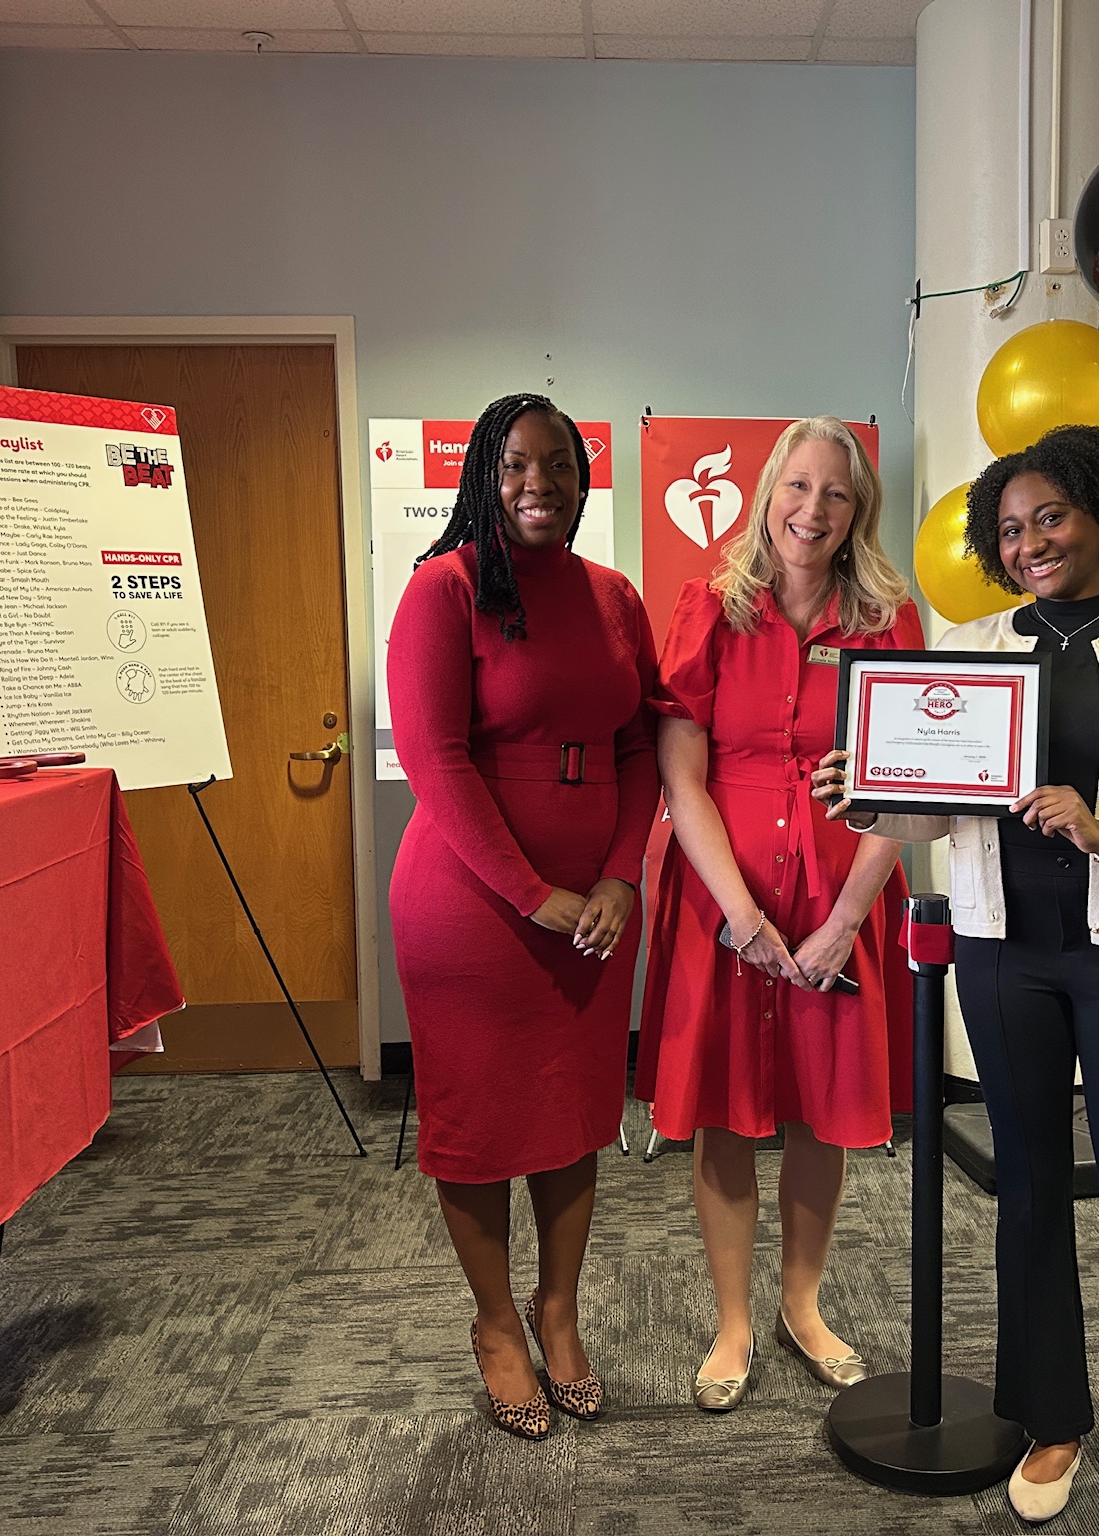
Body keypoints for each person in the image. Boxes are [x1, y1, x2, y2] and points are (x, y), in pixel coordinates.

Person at [812, 425, 1099, 1532]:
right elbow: (941, 806)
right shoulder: (970, 650)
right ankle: (1050, 1417)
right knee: (1023, 1194)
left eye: (1048, 518)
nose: (1029, 544)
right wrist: (866, 795)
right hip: (1001, 950)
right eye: (1009, 529)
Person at [387, 393, 659, 1440]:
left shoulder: (612, 595)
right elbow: (435, 760)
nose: (536, 484)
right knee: (478, 1128)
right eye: (511, 467)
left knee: (571, 1116)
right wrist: (531, 893)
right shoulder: (443, 590)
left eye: (555, 464)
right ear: (480, 480)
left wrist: (621, 878)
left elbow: (636, 747)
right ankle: (495, 1324)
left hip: (593, 907)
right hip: (472, 908)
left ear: (582, 477)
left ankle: (557, 1313)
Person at [638, 416, 922, 1413]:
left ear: (857, 514)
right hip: (723, 902)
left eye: (834, 495)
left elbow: (909, 781)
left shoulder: (887, 619)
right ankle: (733, 1324)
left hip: (840, 901)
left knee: (818, 1113)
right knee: (723, 1113)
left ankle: (803, 1307)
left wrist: (844, 919)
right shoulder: (707, 607)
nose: (811, 510)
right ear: (767, 495)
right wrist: (740, 916)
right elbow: (681, 771)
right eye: (796, 488)